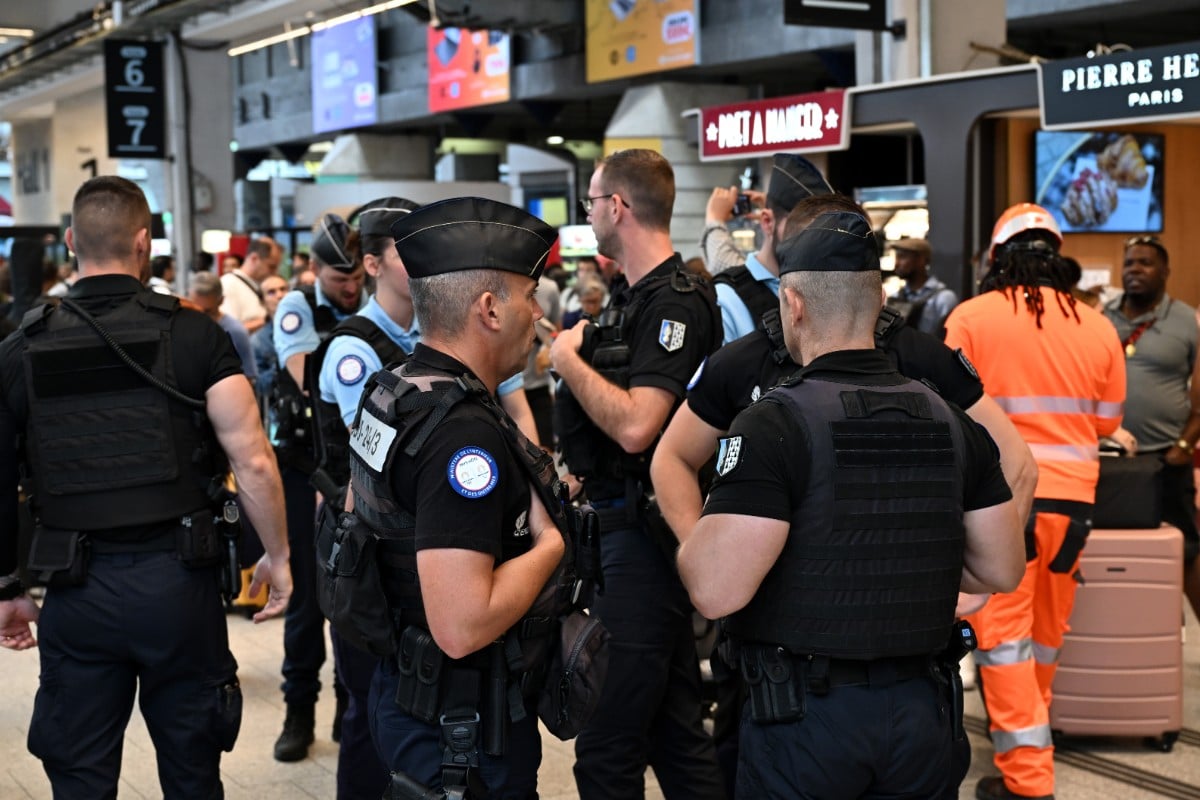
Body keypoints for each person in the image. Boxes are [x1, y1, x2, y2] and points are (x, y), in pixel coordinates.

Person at [652, 192, 1038, 798]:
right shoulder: (951, 416)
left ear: (793, 303)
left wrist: (702, 540)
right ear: (878, 300)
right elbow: (1002, 568)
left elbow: (715, 587)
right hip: (924, 713)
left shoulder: (772, 423)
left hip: (806, 718)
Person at [0, 175, 293, 798]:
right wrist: (278, 555)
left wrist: (6, 587)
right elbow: (255, 460)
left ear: (72, 242)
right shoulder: (195, 335)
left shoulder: (20, 348)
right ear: (144, 242)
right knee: (191, 772)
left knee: (79, 777)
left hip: (74, 592)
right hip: (179, 586)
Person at [345, 197, 568, 797]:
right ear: (489, 309)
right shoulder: (462, 435)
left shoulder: (393, 388)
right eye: (529, 296)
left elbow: (356, 517)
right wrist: (551, 544)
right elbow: (462, 626)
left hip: (408, 693)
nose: (539, 314)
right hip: (462, 725)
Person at [551, 148, 725, 800]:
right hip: (622, 534)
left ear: (617, 207)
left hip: (645, 545)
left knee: (606, 743)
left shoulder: (675, 304)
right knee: (676, 733)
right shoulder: (632, 299)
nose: (589, 213)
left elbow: (638, 426)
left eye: (593, 201)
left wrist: (567, 361)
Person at [944, 203, 1126, 800]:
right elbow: (1107, 421)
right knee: (1044, 635)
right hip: (1073, 507)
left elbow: (946, 413)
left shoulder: (971, 317)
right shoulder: (1098, 325)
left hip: (1002, 504)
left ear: (997, 257)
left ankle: (1029, 780)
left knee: (1003, 639)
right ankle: (1029, 746)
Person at [270, 213, 369, 762]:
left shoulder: (369, 307)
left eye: (356, 278)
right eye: (339, 280)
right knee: (309, 596)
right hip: (305, 467)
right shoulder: (298, 308)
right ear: (313, 270)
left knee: (353, 594)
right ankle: (297, 710)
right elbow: (307, 379)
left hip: (357, 468)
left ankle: (345, 706)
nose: (350, 289)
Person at [1101, 235, 1200, 618]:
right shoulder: (1102, 317)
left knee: (1186, 551)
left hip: (1166, 459)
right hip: (1111, 458)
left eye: (1145, 263)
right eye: (1129, 264)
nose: (1134, 270)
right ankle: (1131, 627)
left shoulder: (1186, 321)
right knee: (1116, 551)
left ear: (1165, 272)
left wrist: (1185, 447)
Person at [705, 154, 835, 343]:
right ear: (766, 222)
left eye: (822, 231)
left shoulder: (827, 288)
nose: (813, 240)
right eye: (800, 228)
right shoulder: (727, 300)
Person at [189, 270, 259, 385]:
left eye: (207, 312)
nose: (201, 317)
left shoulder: (235, 332)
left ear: (221, 301)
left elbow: (248, 378)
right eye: (195, 310)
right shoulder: (185, 328)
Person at [887, 236, 958, 336]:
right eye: (896, 257)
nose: (897, 264)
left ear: (922, 260)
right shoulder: (896, 297)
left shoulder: (943, 299)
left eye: (902, 257)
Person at [221, 237, 281, 333]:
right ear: (254, 258)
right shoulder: (229, 284)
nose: (274, 272)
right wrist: (267, 319)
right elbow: (230, 331)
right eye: (271, 266)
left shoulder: (260, 284)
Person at [252, 273, 290, 401]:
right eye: (271, 292)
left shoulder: (310, 329)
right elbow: (260, 387)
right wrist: (285, 360)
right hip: (280, 408)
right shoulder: (258, 341)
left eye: (283, 289)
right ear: (262, 302)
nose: (280, 295)